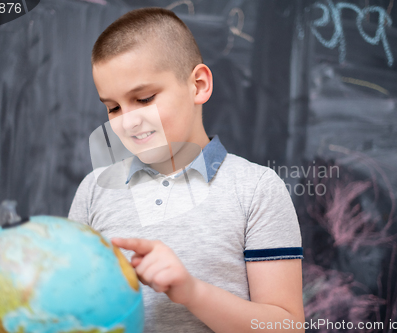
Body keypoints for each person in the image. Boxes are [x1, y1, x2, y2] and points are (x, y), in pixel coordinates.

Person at [68, 7, 305, 333]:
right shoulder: (95, 189)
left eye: (144, 98)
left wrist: (192, 292)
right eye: (113, 107)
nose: (127, 120)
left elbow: (288, 326)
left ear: (198, 85)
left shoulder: (256, 189)